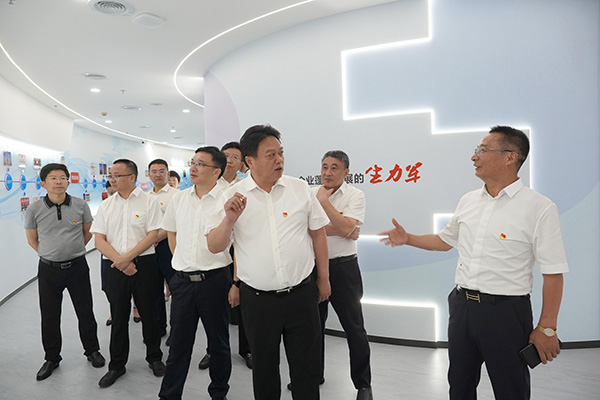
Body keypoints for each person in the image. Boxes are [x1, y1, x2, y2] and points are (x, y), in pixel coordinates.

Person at [380, 126, 569, 400]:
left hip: (505, 313)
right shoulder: (468, 200)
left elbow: (553, 273)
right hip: (462, 307)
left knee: (510, 389)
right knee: (460, 385)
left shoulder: (539, 207)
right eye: (476, 150)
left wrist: (546, 328)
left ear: (510, 157)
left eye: (482, 150)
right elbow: (445, 240)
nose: (474, 156)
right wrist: (408, 238)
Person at [206, 124, 331, 400]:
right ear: (250, 161)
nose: (279, 160)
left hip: (301, 295)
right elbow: (215, 245)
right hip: (258, 301)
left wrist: (323, 278)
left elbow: (318, 233)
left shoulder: (299, 188)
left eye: (281, 153)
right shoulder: (231, 197)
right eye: (271, 155)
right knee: (264, 370)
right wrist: (229, 220)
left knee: (307, 370)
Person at [158, 146, 233, 400]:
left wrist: (236, 283)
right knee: (178, 345)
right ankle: (169, 395)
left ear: (216, 171)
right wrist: (180, 261)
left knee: (218, 344)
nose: (193, 168)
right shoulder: (179, 198)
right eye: (192, 162)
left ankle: (219, 393)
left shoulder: (228, 199)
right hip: (183, 282)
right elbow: (171, 232)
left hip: (215, 281)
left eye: (200, 163)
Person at [25, 163, 105, 381]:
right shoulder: (34, 209)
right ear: (43, 183)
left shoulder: (80, 205)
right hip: (48, 270)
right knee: (49, 315)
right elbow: (32, 239)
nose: (58, 181)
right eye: (53, 178)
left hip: (77, 267)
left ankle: (92, 350)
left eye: (62, 177)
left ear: (68, 181)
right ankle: (52, 358)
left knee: (85, 311)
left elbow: (87, 233)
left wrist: (73, 250)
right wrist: (50, 254)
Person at [91, 159, 166, 388]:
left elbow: (152, 235)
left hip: (144, 264)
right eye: (111, 176)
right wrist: (121, 262)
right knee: (118, 316)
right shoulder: (106, 205)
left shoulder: (149, 202)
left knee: (149, 314)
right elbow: (99, 240)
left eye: (116, 175)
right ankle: (116, 365)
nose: (111, 179)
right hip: (114, 266)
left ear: (131, 177)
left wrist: (128, 258)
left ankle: (154, 357)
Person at [309, 150, 373, 400]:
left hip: (344, 269)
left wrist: (325, 203)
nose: (327, 172)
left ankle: (363, 385)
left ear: (346, 172)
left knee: (354, 328)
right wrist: (342, 227)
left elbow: (348, 228)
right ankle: (314, 375)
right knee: (313, 328)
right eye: (324, 166)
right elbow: (308, 227)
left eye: (334, 167)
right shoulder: (309, 193)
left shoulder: (355, 195)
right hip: (313, 268)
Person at [199, 141, 252, 371]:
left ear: (243, 163)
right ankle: (213, 350)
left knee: (245, 301)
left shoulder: (247, 185)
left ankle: (247, 349)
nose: (229, 160)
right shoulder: (210, 185)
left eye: (235, 157)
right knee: (216, 307)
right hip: (216, 248)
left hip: (242, 247)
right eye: (226, 156)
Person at [148, 159, 178, 339]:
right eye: (154, 171)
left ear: (167, 173)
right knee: (154, 289)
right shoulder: (145, 197)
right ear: (149, 174)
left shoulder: (176, 195)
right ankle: (159, 327)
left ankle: (176, 331)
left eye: (161, 171)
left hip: (168, 245)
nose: (158, 174)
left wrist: (156, 238)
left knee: (175, 288)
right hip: (149, 248)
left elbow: (176, 223)